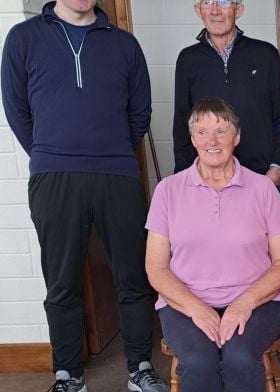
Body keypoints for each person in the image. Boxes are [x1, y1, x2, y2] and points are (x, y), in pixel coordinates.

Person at [0, 1, 167, 391]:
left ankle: (140, 366)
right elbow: (17, 109)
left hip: (117, 174)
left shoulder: (125, 45)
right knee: (61, 283)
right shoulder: (23, 38)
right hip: (53, 176)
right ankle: (67, 375)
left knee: (133, 277)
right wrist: (49, 152)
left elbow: (140, 111)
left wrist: (110, 151)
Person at [145, 97, 280, 391]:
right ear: (192, 139)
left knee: (239, 357)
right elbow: (155, 268)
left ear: (236, 137)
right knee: (199, 361)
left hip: (256, 301)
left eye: (221, 131)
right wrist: (195, 308)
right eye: (202, 132)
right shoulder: (167, 191)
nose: (211, 140)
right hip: (184, 302)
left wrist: (245, 303)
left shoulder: (263, 189)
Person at [172, 0, 280, 187]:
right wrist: (182, 179)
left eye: (223, 2)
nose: (215, 10)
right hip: (206, 180)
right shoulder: (188, 60)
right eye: (207, 3)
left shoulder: (265, 54)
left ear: (239, 10)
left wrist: (277, 169)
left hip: (260, 177)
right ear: (198, 11)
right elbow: (181, 124)